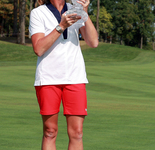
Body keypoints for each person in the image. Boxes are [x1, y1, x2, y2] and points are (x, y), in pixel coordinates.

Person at [29, 0, 98, 149]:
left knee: (77, 133)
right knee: (50, 132)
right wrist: (61, 26)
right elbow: (39, 49)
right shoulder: (38, 13)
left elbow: (93, 42)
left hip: (75, 77)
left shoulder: (75, 9)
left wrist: (85, 12)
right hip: (48, 79)